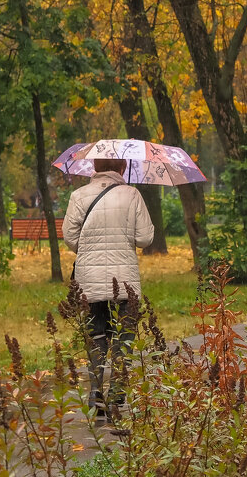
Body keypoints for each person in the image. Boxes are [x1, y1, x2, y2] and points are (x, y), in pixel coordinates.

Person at [63, 158, 154, 422]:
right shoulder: (132, 194)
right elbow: (145, 239)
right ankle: (116, 390)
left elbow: (70, 237)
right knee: (125, 333)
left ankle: (94, 391)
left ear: (93, 165)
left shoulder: (78, 195)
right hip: (124, 279)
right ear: (122, 168)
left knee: (96, 333)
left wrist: (90, 246)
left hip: (88, 279)